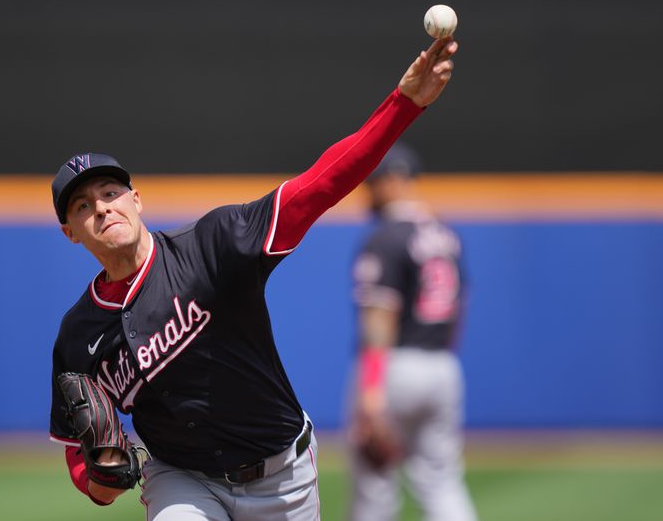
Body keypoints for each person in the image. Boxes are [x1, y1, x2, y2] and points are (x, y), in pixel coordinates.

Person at [48, 37, 459, 521]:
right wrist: (99, 476)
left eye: (110, 192)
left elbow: (322, 184)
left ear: (136, 200)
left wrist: (404, 104)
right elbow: (85, 463)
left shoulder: (216, 244)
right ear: (70, 232)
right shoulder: (80, 336)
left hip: (281, 475)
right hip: (181, 478)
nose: (101, 207)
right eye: (82, 206)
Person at [347, 142, 477, 521]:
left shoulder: (386, 238)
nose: (366, 190)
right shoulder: (446, 235)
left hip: (394, 369)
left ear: (395, 179)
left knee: (374, 488)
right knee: (442, 482)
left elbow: (378, 317)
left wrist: (371, 393)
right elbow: (460, 305)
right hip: (443, 367)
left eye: (373, 181)